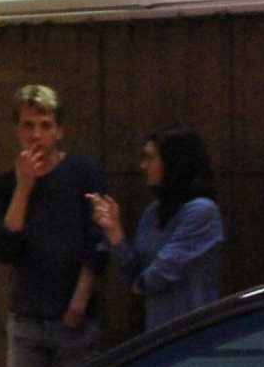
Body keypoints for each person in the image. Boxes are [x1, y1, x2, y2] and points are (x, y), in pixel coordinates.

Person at [0, 84, 110, 367]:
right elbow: (4, 248)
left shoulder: (83, 172)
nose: (36, 135)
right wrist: (23, 187)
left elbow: (97, 239)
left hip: (74, 313)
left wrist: (79, 301)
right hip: (27, 316)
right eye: (28, 126)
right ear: (17, 130)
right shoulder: (6, 183)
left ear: (59, 130)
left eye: (45, 126)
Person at [89, 125, 224, 332]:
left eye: (150, 158)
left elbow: (161, 274)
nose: (143, 165)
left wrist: (139, 283)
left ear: (173, 162)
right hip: (157, 332)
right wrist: (114, 231)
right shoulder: (153, 212)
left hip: (193, 332)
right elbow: (134, 274)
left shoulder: (202, 211)